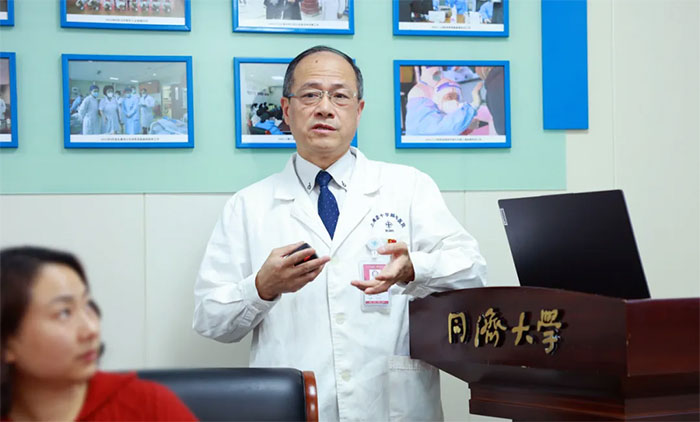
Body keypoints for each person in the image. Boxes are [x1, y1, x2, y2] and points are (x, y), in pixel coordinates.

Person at [193, 46, 487, 421]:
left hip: (391, 408)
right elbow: (210, 319)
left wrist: (415, 268)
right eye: (310, 95)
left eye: (340, 96)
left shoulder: (409, 187)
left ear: (358, 111)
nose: (325, 108)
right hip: (293, 408)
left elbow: (473, 272)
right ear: (286, 110)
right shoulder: (248, 206)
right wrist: (261, 287)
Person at [0, 246, 197, 421]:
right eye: (64, 313)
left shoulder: (149, 406)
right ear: (6, 342)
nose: (91, 330)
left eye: (87, 305)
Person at [405, 75, 482, 136]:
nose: (454, 101)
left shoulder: (451, 119)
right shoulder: (422, 116)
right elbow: (445, 128)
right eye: (449, 97)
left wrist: (466, 126)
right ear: (437, 98)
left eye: (457, 98)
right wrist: (473, 107)